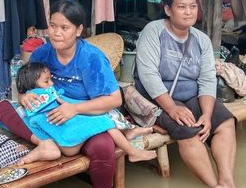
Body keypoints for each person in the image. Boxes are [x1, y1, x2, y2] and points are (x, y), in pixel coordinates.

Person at [0, 0, 124, 188]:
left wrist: (74, 108)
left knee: (104, 148)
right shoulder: (42, 54)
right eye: (53, 26)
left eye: (64, 28)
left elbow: (114, 99)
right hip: (46, 117)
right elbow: (23, 86)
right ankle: (42, 143)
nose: (56, 33)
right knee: (2, 108)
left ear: (79, 30)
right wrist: (24, 96)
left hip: (82, 115)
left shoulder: (92, 59)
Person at [134, 0, 246, 188]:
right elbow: (148, 75)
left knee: (225, 121)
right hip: (158, 98)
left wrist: (207, 115)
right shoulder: (154, 31)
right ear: (168, 9)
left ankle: (227, 183)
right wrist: (171, 107)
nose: (188, 11)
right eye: (181, 6)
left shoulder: (201, 39)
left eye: (192, 6)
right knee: (188, 130)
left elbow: (207, 79)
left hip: (192, 96)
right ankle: (214, 186)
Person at [16, 61, 156, 163]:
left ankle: (129, 133)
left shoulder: (32, 101)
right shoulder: (41, 97)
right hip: (68, 140)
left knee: (103, 119)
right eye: (47, 81)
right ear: (33, 86)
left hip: (65, 141)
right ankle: (132, 152)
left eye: (51, 79)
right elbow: (71, 105)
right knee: (105, 120)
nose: (52, 83)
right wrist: (85, 107)